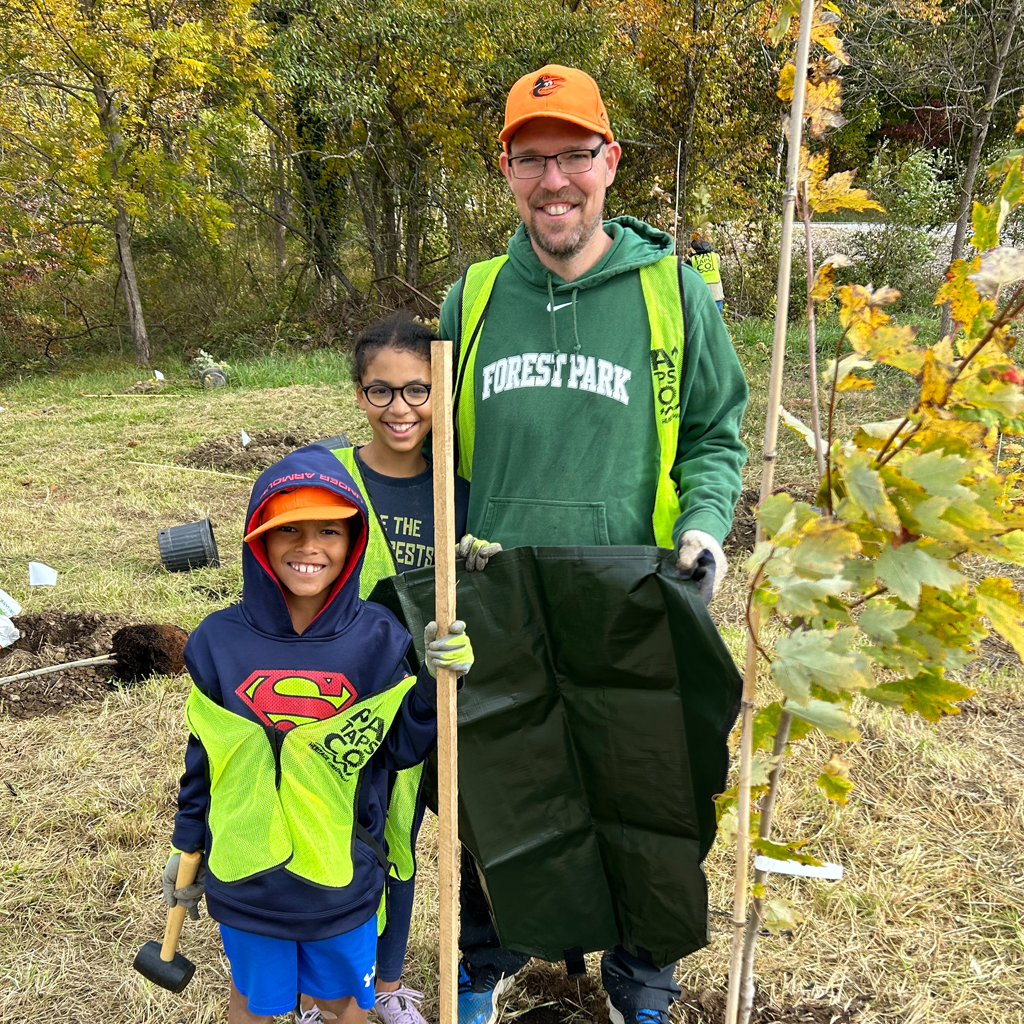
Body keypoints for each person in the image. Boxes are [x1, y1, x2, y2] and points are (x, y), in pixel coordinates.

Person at [438, 64, 748, 1024]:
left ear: (609, 161)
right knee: (497, 788)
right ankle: (478, 964)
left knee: (646, 794)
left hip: (630, 593)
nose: (554, 180)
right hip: (502, 596)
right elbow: (436, 455)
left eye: (574, 155)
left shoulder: (673, 293)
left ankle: (639, 982)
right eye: (532, 160)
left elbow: (715, 433)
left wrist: (705, 523)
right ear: (507, 173)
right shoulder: (475, 299)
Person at [163, 444, 475, 1024]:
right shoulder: (217, 643)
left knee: (342, 1006)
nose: (309, 548)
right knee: (253, 1003)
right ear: (258, 538)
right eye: (290, 530)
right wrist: (188, 845)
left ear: (353, 540)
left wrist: (436, 683)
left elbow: (401, 747)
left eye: (329, 530)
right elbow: (204, 760)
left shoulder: (380, 640)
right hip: (246, 880)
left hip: (342, 881)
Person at [292, 314, 500, 1024]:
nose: (401, 409)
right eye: (382, 393)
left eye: (417, 390)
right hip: (343, 697)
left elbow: (486, 604)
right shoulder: (331, 479)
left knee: (402, 838)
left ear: (441, 393)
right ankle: (331, 988)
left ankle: (385, 987)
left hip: (422, 701)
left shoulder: (462, 494)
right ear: (359, 395)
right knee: (342, 840)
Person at [688, 236, 725, 313]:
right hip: (717, 295)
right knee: (717, 322)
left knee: (704, 323)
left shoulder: (692, 260)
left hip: (701, 297)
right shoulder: (715, 256)